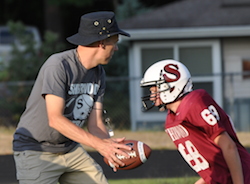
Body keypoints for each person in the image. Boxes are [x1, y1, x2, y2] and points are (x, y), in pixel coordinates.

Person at [13, 11, 132, 184]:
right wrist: (100, 145)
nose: (116, 48)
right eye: (114, 43)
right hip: (36, 150)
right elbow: (55, 120)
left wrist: (111, 148)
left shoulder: (99, 73)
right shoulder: (58, 65)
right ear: (101, 43)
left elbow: (96, 124)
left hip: (70, 149)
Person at [140, 59, 250, 184]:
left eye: (154, 89)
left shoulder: (193, 103)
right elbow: (211, 167)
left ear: (170, 87)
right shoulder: (171, 120)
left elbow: (228, 146)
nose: (151, 95)